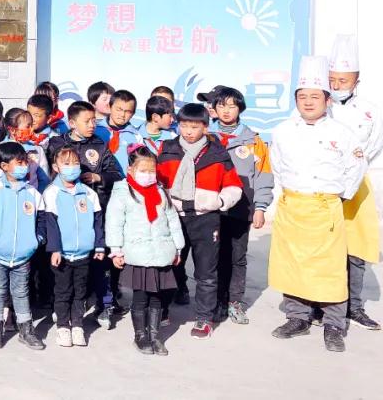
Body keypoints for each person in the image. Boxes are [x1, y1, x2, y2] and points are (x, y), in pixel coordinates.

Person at [269, 56, 367, 353]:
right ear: (296, 100)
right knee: (293, 265)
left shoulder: (342, 133)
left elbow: (355, 169)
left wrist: (338, 198)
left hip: (326, 208)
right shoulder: (283, 131)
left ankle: (334, 324)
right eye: (302, 97)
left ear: (327, 100)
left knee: (330, 269)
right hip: (292, 207)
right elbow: (277, 166)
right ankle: (297, 318)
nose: (308, 102)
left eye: (315, 96)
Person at [156, 102, 243, 339]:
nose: (188, 132)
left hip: (205, 219)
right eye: (184, 126)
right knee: (169, 265)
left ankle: (204, 317)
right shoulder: (168, 149)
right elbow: (158, 181)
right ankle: (162, 310)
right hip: (174, 217)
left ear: (205, 127)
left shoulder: (217, 153)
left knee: (206, 271)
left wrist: (220, 202)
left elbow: (234, 185)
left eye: (194, 127)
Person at [47, 101, 123, 327]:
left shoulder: (99, 145)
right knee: (66, 267)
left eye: (94, 121)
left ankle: (105, 304)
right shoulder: (57, 143)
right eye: (87, 121)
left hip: (95, 211)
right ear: (72, 123)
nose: (92, 125)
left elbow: (116, 173)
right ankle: (62, 306)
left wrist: (99, 178)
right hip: (67, 215)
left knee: (101, 261)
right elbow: (52, 172)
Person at [105, 145, 185, 356]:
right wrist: (116, 250)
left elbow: (172, 220)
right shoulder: (123, 192)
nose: (148, 175)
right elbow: (114, 223)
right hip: (138, 254)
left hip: (162, 253)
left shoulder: (160, 192)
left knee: (157, 297)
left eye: (152, 171)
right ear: (130, 170)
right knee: (140, 299)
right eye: (143, 170)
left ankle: (155, 336)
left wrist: (178, 248)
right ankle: (140, 336)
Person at [327, 34, 382, 331]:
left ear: (356, 80)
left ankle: (354, 307)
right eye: (333, 80)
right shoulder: (320, 106)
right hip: (324, 185)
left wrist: (353, 166)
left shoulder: (372, 111)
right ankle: (320, 306)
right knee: (325, 248)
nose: (337, 86)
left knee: (356, 249)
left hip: (358, 185)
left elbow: (371, 148)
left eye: (343, 80)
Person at [207, 86, 274, 325]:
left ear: (240, 109)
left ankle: (234, 302)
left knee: (237, 257)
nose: (226, 111)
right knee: (213, 257)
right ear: (214, 109)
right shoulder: (206, 137)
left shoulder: (254, 141)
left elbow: (263, 176)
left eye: (232, 106)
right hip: (211, 207)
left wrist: (260, 208)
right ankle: (215, 301)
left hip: (241, 208)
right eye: (221, 105)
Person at [0, 142, 47, 350]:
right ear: (4, 166)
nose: (24, 166)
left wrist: (37, 239)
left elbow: (42, 219)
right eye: (19, 162)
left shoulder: (33, 193)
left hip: (23, 255)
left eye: (25, 162)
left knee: (21, 291)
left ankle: (26, 330)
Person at [44, 146, 105, 348]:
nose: (72, 167)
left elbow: (98, 222)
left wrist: (99, 246)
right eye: (66, 164)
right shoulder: (52, 193)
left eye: (76, 163)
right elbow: (51, 224)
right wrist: (55, 249)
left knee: (80, 292)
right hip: (62, 256)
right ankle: (63, 326)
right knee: (63, 292)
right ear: (56, 167)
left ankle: (77, 325)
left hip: (84, 255)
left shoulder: (89, 193)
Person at [0, 108, 49, 189]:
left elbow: (44, 180)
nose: (32, 129)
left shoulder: (37, 150)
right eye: (28, 126)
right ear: (12, 130)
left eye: (32, 125)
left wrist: (36, 194)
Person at [96, 89, 142, 176]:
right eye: (118, 109)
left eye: (128, 111)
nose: (122, 115)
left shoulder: (136, 136)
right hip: (98, 180)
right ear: (109, 107)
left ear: (133, 114)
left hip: (124, 181)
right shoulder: (95, 130)